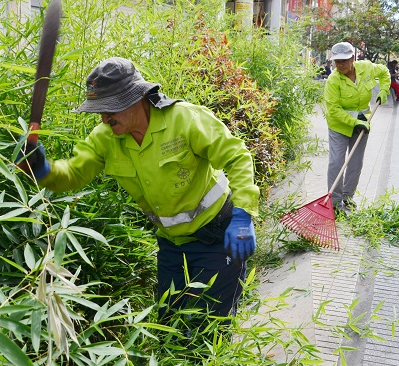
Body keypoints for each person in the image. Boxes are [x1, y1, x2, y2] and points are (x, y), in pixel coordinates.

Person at [16, 57, 259, 322]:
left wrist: (243, 215)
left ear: (136, 98)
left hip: (217, 237)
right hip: (171, 245)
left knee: (211, 327)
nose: (104, 117)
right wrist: (42, 169)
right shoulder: (106, 138)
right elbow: (74, 173)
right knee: (171, 324)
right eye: (100, 110)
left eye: (110, 108)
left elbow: (237, 157)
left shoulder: (185, 120)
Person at [324, 42, 391, 213]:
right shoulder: (333, 81)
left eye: (344, 61)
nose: (341, 65)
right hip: (339, 126)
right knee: (336, 162)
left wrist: (384, 90)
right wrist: (355, 122)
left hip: (362, 122)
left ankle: (348, 198)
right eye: (337, 62)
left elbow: (384, 71)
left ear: (353, 58)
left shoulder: (366, 68)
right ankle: (335, 202)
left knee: (355, 163)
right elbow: (333, 110)